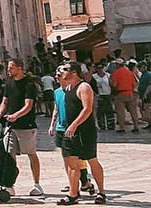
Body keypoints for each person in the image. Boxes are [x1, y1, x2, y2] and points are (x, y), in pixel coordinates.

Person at [56, 63, 106, 205]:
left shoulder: (84, 87)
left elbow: (87, 109)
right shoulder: (68, 88)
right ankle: (73, 194)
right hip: (70, 131)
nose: (62, 72)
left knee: (92, 160)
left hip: (84, 131)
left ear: (74, 72)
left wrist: (74, 125)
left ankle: (101, 192)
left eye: (65, 70)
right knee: (71, 163)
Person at [0, 58, 43, 197]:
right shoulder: (9, 83)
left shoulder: (29, 85)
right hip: (10, 126)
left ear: (19, 68)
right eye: (8, 67)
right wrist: (0, 113)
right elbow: (5, 101)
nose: (8, 70)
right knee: (9, 155)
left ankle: (37, 184)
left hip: (26, 125)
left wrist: (16, 115)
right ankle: (10, 185)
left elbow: (28, 105)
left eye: (11, 67)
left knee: (31, 154)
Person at [50, 68, 95, 196]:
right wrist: (52, 125)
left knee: (80, 158)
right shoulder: (57, 92)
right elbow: (56, 109)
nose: (57, 77)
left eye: (60, 74)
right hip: (61, 128)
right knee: (67, 159)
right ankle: (73, 185)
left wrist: (76, 124)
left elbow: (87, 109)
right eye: (57, 75)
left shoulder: (75, 90)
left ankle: (85, 181)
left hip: (75, 128)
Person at [109, 60, 141, 133]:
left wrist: (111, 83)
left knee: (120, 112)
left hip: (119, 94)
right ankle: (136, 126)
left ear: (117, 65)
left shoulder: (115, 73)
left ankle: (122, 128)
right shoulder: (130, 73)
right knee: (133, 111)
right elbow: (134, 84)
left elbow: (114, 84)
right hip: (130, 93)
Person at [91, 64, 113, 130]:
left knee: (109, 110)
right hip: (99, 95)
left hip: (108, 94)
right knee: (100, 111)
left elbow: (111, 84)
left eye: (101, 68)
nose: (100, 69)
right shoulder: (94, 76)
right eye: (98, 68)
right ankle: (102, 125)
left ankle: (111, 125)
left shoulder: (108, 75)